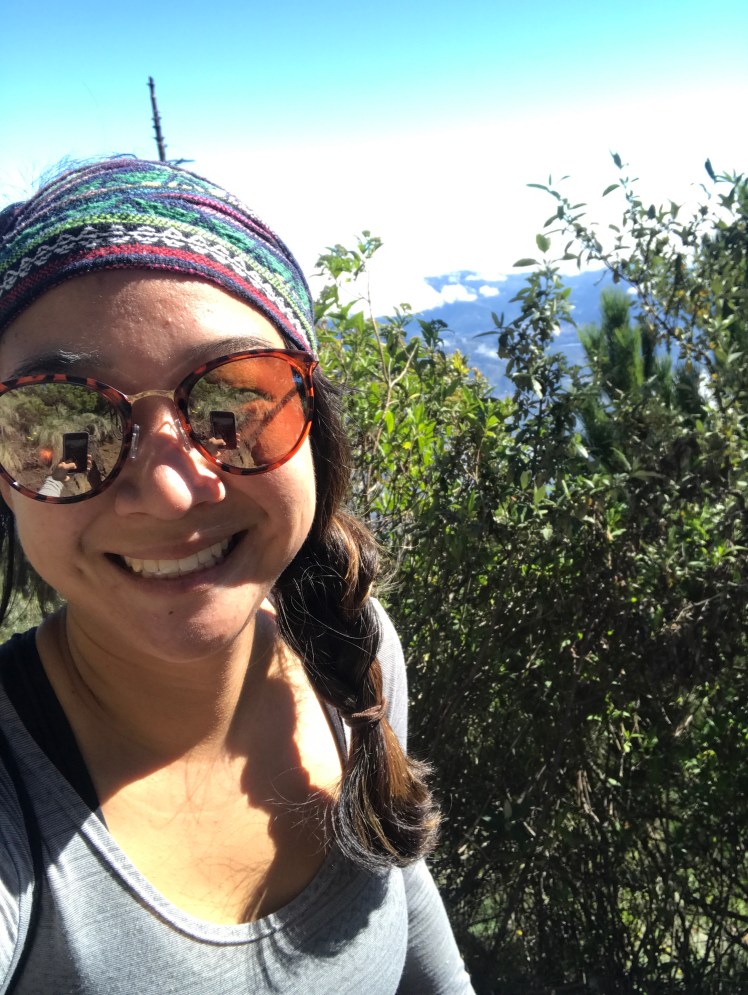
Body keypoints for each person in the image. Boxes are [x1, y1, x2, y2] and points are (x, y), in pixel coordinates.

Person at [0, 158, 475, 993]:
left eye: (232, 403)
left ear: (313, 423)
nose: (170, 490)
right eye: (66, 422)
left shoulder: (353, 649)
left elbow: (406, 910)